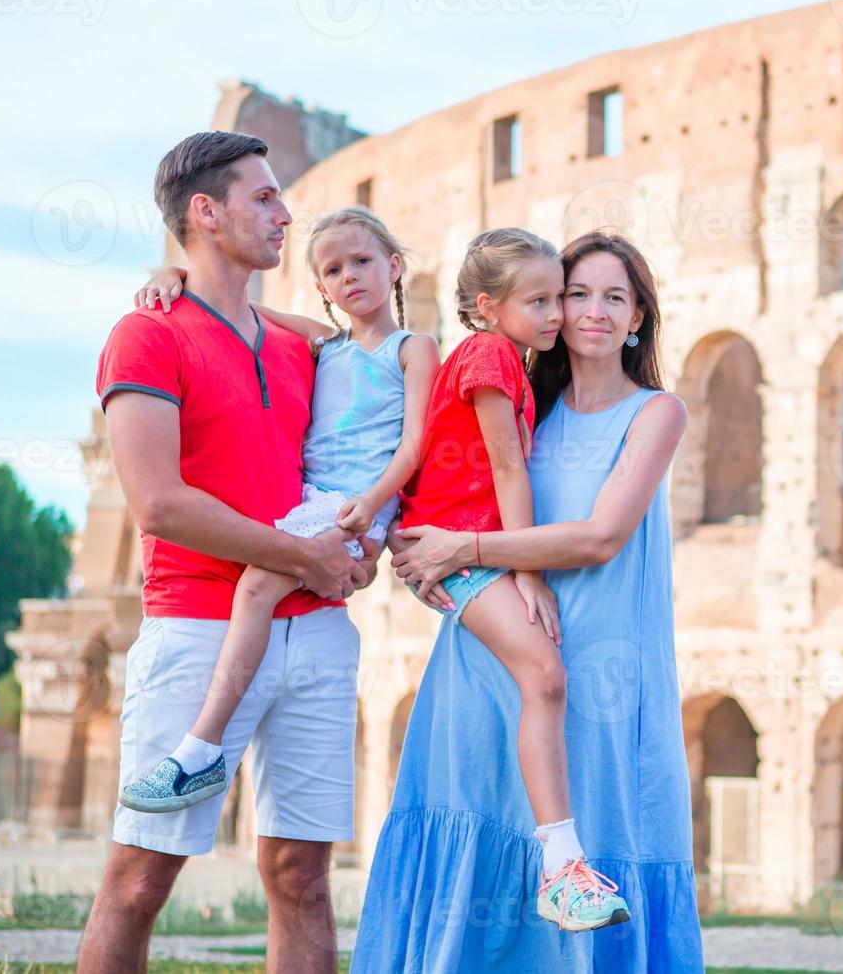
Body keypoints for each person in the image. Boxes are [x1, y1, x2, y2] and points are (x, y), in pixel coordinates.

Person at [352, 230, 704, 972]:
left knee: (593, 844)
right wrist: (183, 283)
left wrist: (463, 550)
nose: (594, 311)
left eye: (616, 297)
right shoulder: (519, 401)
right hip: (490, 663)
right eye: (577, 295)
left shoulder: (657, 413)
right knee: (485, 840)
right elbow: (364, 346)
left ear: (639, 316)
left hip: (601, 668)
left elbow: (601, 538)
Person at [77, 131, 369, 974]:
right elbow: (158, 503)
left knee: (303, 877)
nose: (284, 213)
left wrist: (339, 557)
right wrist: (304, 555)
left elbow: (360, 370)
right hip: (199, 628)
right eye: (264, 197)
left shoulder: (296, 346)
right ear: (204, 212)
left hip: (315, 630)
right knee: (138, 880)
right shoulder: (144, 336)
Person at [118, 207, 439, 814]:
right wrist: (173, 275)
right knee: (259, 590)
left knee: (256, 589)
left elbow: (417, 441)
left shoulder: (412, 348)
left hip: (353, 502)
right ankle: (205, 747)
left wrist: (373, 503)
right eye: (334, 270)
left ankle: (201, 748)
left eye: (363, 262)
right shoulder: (325, 343)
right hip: (319, 501)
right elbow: (239, 308)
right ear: (321, 289)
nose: (350, 278)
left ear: (394, 267)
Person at [395, 226, 633, 932]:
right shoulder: (493, 356)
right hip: (463, 553)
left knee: (541, 682)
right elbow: (507, 467)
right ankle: (561, 867)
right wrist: (526, 567)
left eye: (558, 297)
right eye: (540, 300)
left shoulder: (505, 356)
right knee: (546, 677)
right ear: (485, 306)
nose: (558, 314)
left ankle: (558, 865)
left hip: (466, 549)